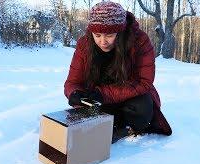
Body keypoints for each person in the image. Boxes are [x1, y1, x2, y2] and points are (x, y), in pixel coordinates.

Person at [64, 1, 172, 143]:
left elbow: (144, 82)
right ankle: (110, 124)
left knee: (143, 108)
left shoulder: (140, 41)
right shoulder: (84, 44)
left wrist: (104, 94)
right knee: (90, 113)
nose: (103, 41)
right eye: (97, 35)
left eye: (109, 35)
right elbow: (72, 82)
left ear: (120, 31)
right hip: (99, 97)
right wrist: (75, 94)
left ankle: (127, 127)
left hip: (130, 95)